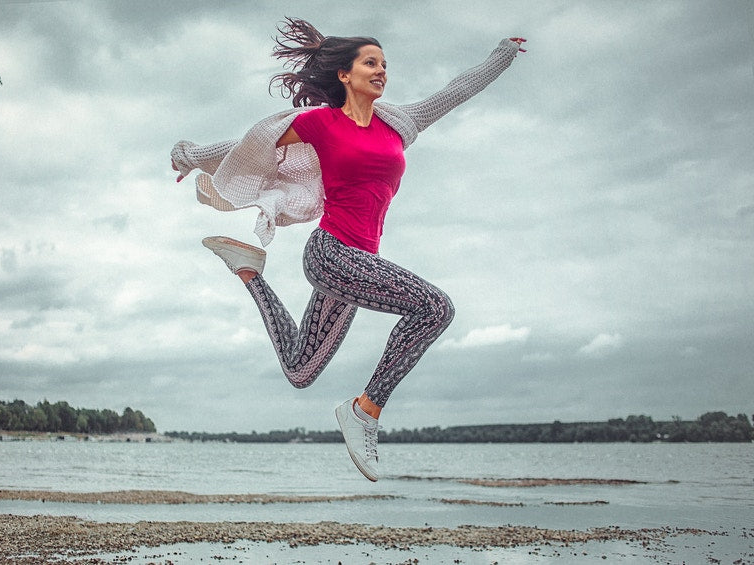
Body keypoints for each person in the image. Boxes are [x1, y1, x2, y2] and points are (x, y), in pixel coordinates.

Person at [171, 18, 526, 481]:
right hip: (332, 253)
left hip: (360, 263)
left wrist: (501, 55)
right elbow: (246, 147)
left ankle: (248, 271)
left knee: (301, 368)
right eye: (370, 62)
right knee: (435, 308)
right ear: (345, 73)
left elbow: (456, 90)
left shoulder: (399, 123)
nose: (381, 71)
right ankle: (365, 411)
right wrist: (187, 154)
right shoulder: (321, 122)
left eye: (384, 64)